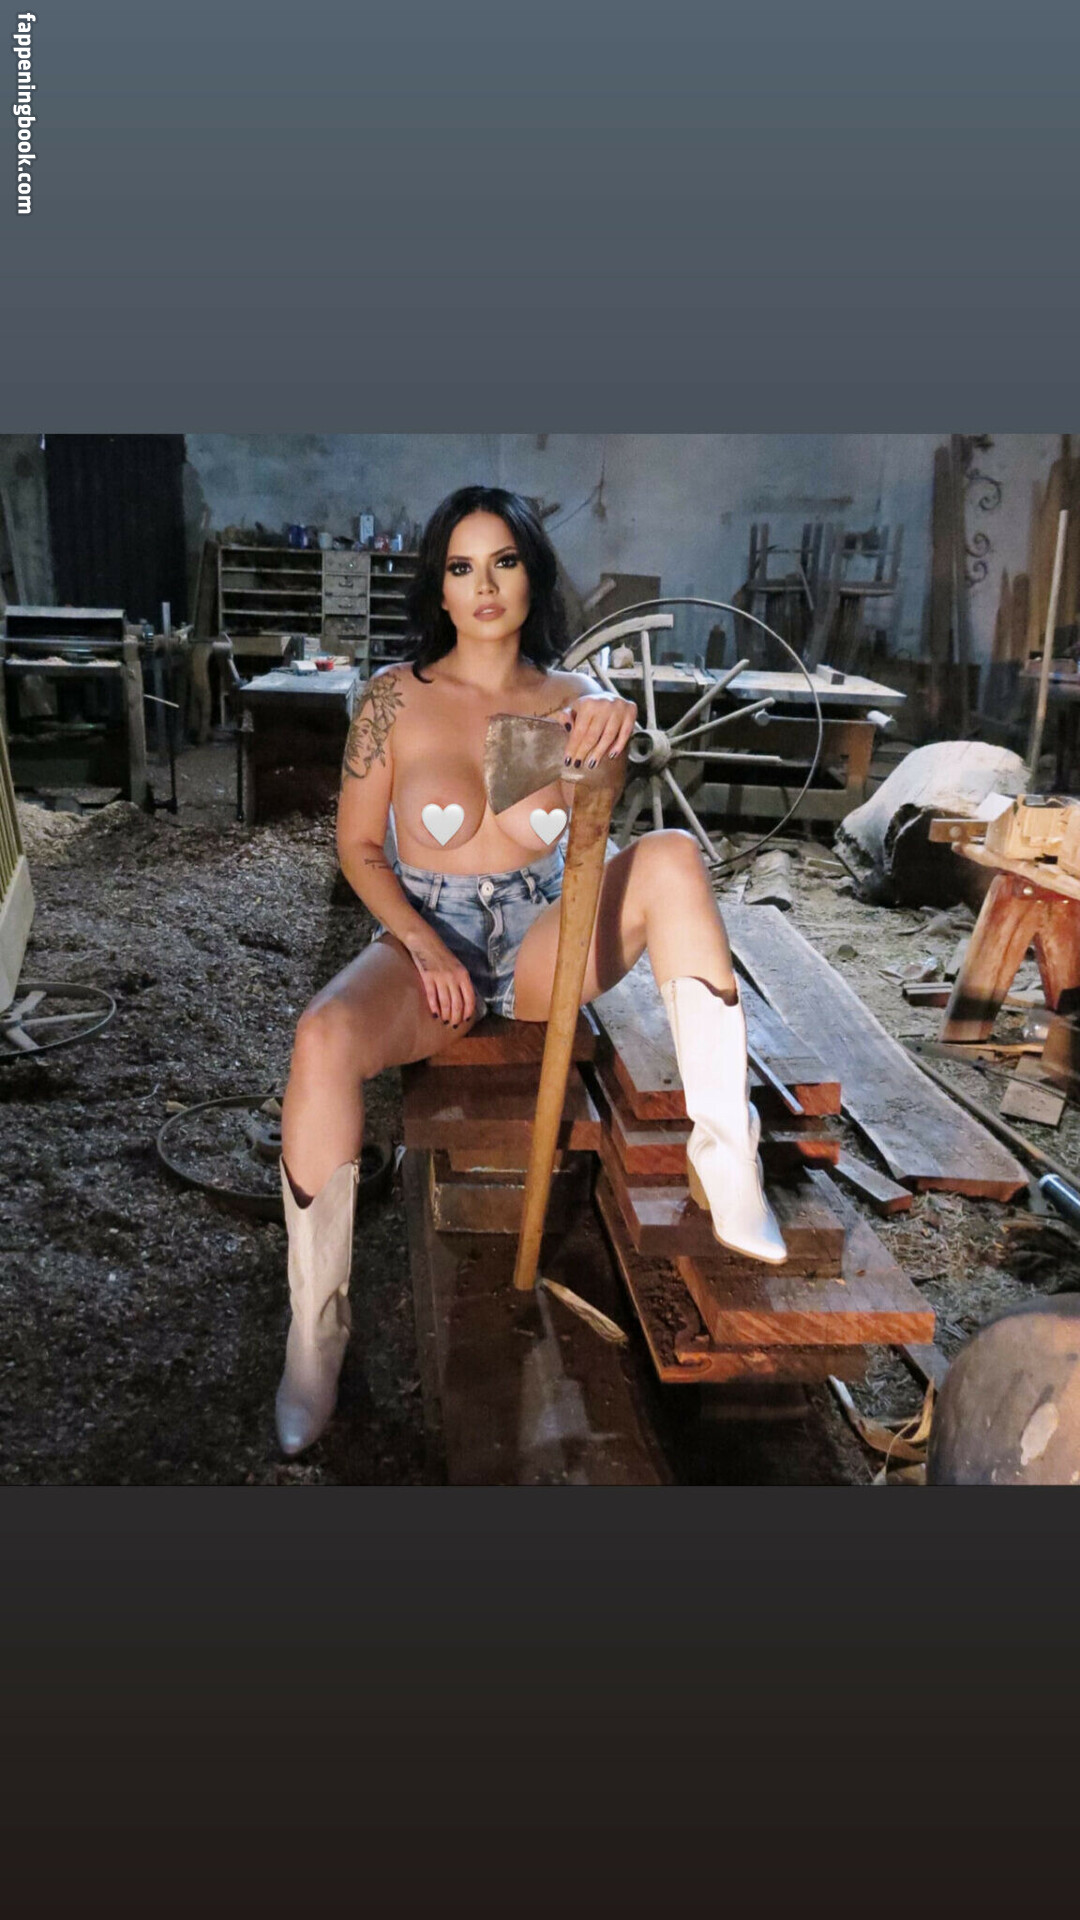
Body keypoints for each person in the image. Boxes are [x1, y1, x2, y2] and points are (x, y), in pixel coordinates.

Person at [274, 485, 786, 1455]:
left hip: (549, 935)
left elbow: (595, 830)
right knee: (322, 1038)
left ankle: (728, 1160)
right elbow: (358, 849)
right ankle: (315, 1338)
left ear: (532, 575)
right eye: (462, 567)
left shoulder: (575, 703)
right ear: (438, 587)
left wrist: (610, 727)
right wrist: (421, 943)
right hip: (429, 939)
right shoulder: (393, 699)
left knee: (673, 857)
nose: (485, 585)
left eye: (503, 561)